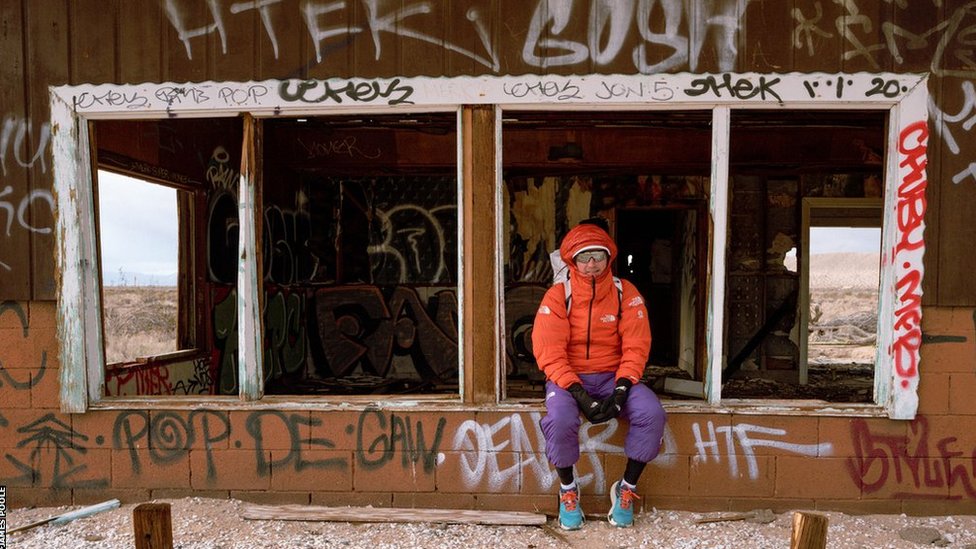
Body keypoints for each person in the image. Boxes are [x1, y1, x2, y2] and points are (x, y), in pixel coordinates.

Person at [532, 222, 667, 530]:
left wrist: (621, 389)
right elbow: (549, 351)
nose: (592, 264)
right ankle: (568, 491)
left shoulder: (625, 293)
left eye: (598, 256)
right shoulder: (558, 296)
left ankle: (626, 489)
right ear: (572, 261)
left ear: (609, 259)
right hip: (569, 378)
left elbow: (636, 344)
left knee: (651, 413)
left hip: (613, 375)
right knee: (560, 420)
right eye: (584, 257)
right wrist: (579, 393)